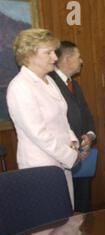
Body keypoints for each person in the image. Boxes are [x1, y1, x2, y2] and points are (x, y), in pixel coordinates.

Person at [7, 29, 80, 207]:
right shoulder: (20, 87)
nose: (55, 58)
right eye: (48, 52)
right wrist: (70, 155)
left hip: (61, 161)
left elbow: (62, 118)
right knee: (47, 228)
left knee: (66, 219)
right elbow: (38, 134)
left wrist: (73, 141)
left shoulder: (49, 80)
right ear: (29, 55)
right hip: (41, 167)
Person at [48, 41, 96, 212]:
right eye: (78, 57)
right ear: (67, 59)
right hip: (62, 157)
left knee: (83, 207)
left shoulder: (74, 85)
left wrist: (90, 135)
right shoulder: (49, 84)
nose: (81, 61)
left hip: (83, 156)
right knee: (66, 209)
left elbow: (86, 114)